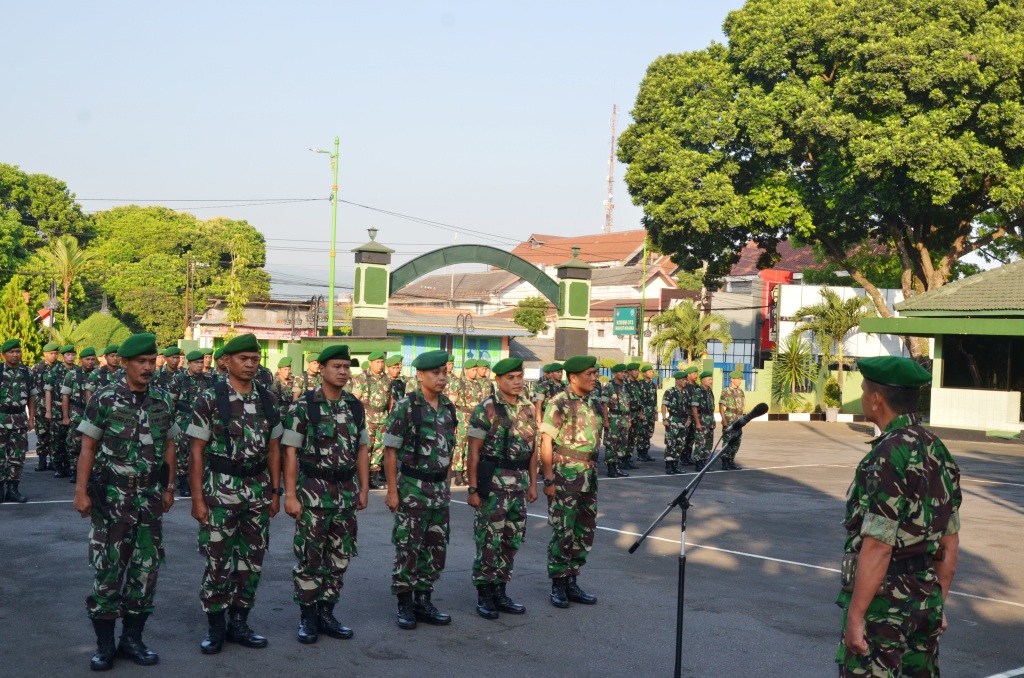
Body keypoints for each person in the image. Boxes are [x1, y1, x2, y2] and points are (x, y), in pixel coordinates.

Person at [836, 356, 961, 677]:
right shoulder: (937, 449)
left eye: (864, 390)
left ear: (877, 399)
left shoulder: (887, 455)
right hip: (925, 597)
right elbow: (949, 540)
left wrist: (855, 616)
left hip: (885, 606)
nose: (863, 396)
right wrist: (938, 603)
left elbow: (879, 545)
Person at [72, 333, 178, 670]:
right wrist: (81, 491)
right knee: (108, 570)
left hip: (149, 498)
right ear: (126, 363)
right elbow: (88, 447)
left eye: (152, 361)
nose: (149, 368)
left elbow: (170, 447)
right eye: (142, 362)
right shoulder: (104, 398)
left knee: (146, 571)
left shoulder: (163, 401)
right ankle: (104, 646)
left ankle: (132, 640)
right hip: (113, 500)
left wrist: (169, 487)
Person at [187, 333, 282, 655]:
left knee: (251, 560)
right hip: (220, 491)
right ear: (227, 361)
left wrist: (274, 491)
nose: (251, 365)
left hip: (256, 491)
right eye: (244, 359)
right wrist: (197, 498)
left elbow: (273, 448)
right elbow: (196, 451)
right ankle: (215, 626)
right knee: (217, 560)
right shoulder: (211, 398)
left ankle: (240, 622)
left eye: (255, 359)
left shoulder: (268, 399)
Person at [281, 344, 369, 644]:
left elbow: (362, 449)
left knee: (340, 556)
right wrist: (290, 494)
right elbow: (290, 452)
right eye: (337, 366)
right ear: (320, 368)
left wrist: (364, 487)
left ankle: (327, 613)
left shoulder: (355, 406)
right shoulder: (304, 405)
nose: (343, 372)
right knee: (310, 557)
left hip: (345, 493)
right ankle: (307, 616)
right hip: (313, 494)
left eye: (347, 367)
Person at [382, 349, 457, 630]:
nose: (441, 378)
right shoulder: (406, 406)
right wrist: (392, 491)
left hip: (439, 489)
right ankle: (404, 602)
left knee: (436, 547)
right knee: (408, 546)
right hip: (413, 487)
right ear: (420, 375)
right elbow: (390, 451)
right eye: (435, 373)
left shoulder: (448, 407)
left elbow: (449, 448)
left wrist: (448, 484)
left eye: (444, 373)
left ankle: (424, 600)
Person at [466, 357, 538, 619]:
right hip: (493, 485)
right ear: (498, 380)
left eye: (519, 376)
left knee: (512, 540)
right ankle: (484, 594)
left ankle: (500, 590)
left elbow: (533, 450)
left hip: (518, 485)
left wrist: (532, 483)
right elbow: (473, 452)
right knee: (488, 540)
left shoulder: (528, 408)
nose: (517, 382)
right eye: (511, 378)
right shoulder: (486, 408)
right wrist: (473, 489)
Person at [540, 355, 601, 609]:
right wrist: (548, 478)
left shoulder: (591, 402)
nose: (594, 377)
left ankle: (573, 580)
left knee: (584, 530)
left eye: (595, 373)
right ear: (573, 377)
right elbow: (546, 442)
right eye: (589, 373)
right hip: (566, 476)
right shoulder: (559, 403)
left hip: (589, 475)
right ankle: (558, 584)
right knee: (563, 530)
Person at [168, 351, 213, 497]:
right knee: (182, 449)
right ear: (189, 364)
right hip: (184, 418)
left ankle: (201, 480)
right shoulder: (180, 378)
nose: (200, 365)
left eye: (201, 362)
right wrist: (172, 421)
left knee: (202, 450)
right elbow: (171, 402)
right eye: (196, 363)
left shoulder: (208, 379)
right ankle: (183, 481)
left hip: (202, 419)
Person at [0, 339, 36, 503]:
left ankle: (13, 490)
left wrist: (31, 418)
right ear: (3, 354)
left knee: (17, 456)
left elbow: (32, 396)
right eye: (11, 352)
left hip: (19, 419)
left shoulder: (27, 373)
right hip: (1, 418)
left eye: (18, 351)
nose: (15, 355)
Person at [351, 351, 391, 489]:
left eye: (381, 362)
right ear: (370, 363)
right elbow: (355, 399)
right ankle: (362, 478)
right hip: (367, 417)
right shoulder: (362, 378)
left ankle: (373, 479)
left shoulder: (386, 379)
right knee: (365, 448)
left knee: (379, 449)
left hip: (383, 418)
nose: (380, 365)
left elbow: (389, 399)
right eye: (377, 362)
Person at [61, 346, 97, 481]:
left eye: (93, 359)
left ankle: (92, 471)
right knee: (74, 443)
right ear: (81, 360)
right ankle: (75, 470)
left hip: (93, 414)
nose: (90, 362)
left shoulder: (99, 374)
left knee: (93, 444)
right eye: (87, 359)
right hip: (77, 413)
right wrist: (65, 416)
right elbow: (65, 396)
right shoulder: (72, 374)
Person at [45, 345, 78, 478]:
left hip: (73, 409)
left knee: (71, 440)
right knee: (57, 439)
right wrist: (48, 410)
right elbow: (48, 391)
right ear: (62, 357)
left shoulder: (78, 371)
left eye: (72, 355)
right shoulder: (55, 371)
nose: (70, 357)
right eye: (68, 355)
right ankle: (58, 466)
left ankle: (70, 466)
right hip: (57, 408)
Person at [448, 358, 478, 487]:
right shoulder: (458, 383)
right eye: (473, 370)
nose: (475, 372)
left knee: (470, 446)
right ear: (466, 370)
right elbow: (452, 403)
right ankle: (458, 474)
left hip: (474, 418)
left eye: (476, 370)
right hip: (461, 417)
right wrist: (453, 422)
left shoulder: (477, 384)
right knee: (460, 446)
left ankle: (466, 471)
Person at [31, 342, 59, 471]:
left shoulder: (61, 368)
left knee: (56, 433)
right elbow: (31, 388)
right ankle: (42, 460)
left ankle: (55, 460)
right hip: (40, 405)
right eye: (51, 353)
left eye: (55, 353)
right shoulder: (37, 368)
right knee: (42, 433)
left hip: (57, 405)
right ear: (45, 354)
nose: (54, 356)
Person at [602, 364, 631, 478]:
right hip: (613, 417)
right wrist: (606, 420)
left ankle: (617, 467)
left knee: (622, 444)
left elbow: (628, 405)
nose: (624, 374)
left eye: (625, 372)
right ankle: (611, 468)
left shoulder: (625, 386)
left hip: (624, 418)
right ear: (614, 374)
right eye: (621, 372)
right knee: (612, 444)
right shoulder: (609, 386)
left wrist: (628, 420)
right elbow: (604, 404)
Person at [660, 371, 689, 475]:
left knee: (680, 444)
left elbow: (688, 408)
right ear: (677, 381)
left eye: (685, 380)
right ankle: (669, 466)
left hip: (683, 421)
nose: (685, 381)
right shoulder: (670, 391)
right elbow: (664, 405)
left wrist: (688, 419)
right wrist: (664, 418)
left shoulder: (686, 393)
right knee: (671, 443)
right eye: (683, 380)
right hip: (673, 420)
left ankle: (675, 465)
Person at [718, 369, 746, 471]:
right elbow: (721, 405)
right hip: (729, 418)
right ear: (732, 379)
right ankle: (724, 461)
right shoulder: (726, 391)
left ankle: (731, 460)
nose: (740, 381)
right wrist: (723, 419)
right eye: (738, 379)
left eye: (740, 379)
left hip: (739, 419)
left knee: (737, 441)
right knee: (727, 441)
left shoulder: (740, 391)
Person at [690, 370, 716, 470]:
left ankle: (704, 461)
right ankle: (698, 463)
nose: (711, 381)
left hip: (709, 421)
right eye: (709, 379)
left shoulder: (709, 391)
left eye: (711, 379)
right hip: (701, 420)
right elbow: (694, 408)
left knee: (708, 443)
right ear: (703, 380)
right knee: (700, 442)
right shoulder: (698, 391)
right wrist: (697, 422)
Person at [622, 362, 645, 469]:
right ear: (630, 372)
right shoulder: (625, 384)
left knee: (633, 438)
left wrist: (641, 413)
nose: (637, 372)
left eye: (637, 370)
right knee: (625, 438)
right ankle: (623, 460)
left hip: (637, 413)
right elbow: (625, 402)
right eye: (635, 370)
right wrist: (628, 418)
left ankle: (629, 458)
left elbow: (640, 400)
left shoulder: (638, 384)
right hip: (628, 414)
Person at [636, 364, 658, 462]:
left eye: (652, 371)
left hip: (651, 410)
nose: (651, 373)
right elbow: (639, 400)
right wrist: (641, 412)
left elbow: (655, 399)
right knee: (642, 432)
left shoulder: (653, 384)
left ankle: (646, 452)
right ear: (644, 374)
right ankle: (641, 453)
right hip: (644, 409)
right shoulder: (640, 384)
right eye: (649, 372)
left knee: (649, 431)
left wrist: (656, 412)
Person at [680, 366, 700, 466]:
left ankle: (688, 456)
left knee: (692, 437)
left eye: (696, 373)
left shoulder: (698, 387)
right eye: (693, 374)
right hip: (686, 415)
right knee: (684, 437)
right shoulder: (685, 386)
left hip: (694, 416)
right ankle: (682, 457)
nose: (696, 375)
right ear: (688, 375)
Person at [271, 356, 297, 422]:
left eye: (289, 369)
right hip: (278, 415)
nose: (287, 372)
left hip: (291, 415)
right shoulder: (272, 381)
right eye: (285, 369)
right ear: (279, 370)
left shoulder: (294, 380)